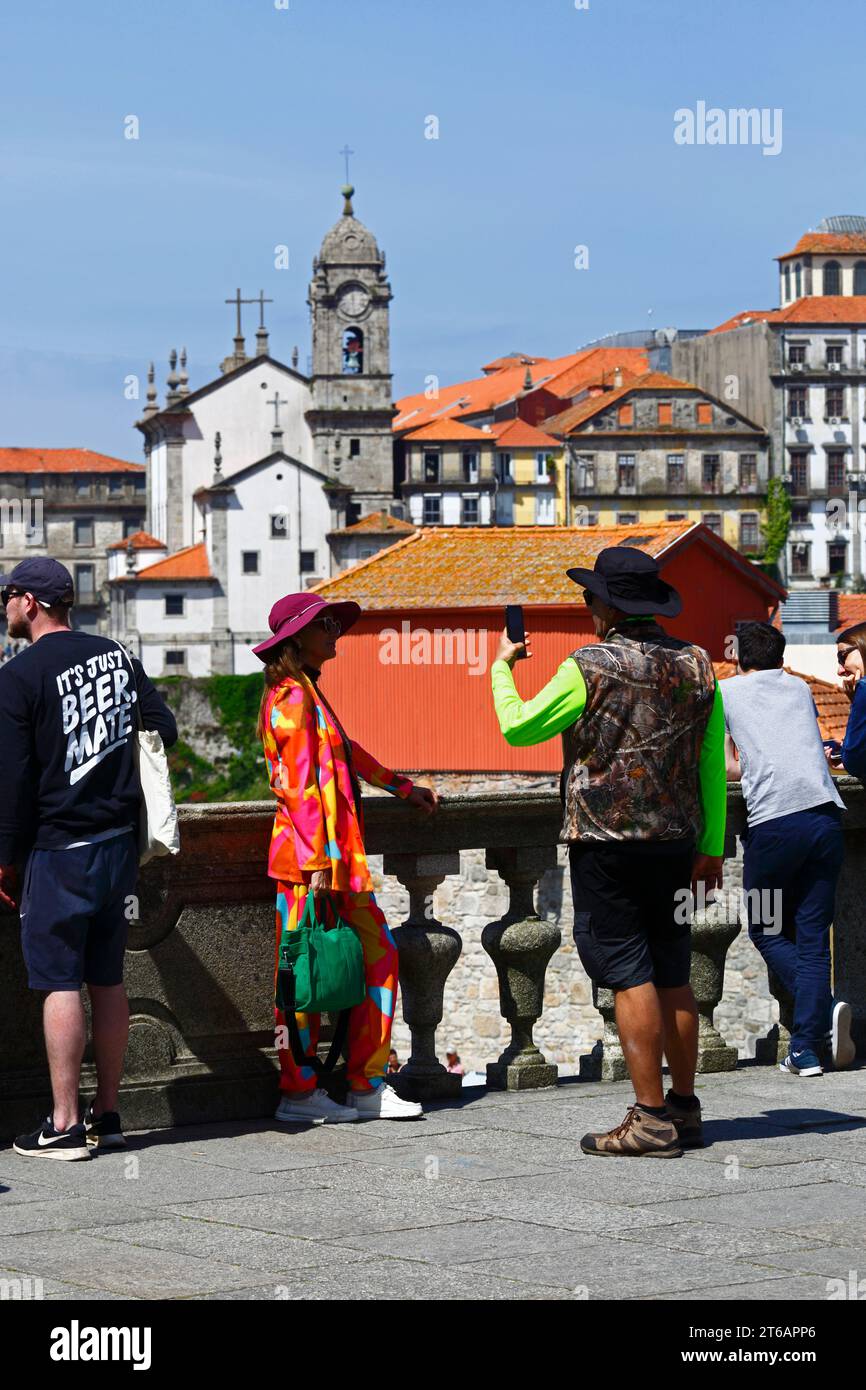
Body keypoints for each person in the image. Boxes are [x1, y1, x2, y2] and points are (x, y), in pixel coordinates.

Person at [490, 547, 726, 1158]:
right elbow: (709, 764)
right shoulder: (698, 664)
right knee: (674, 972)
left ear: (608, 606)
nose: (588, 607)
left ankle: (649, 1119)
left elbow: (518, 727)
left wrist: (501, 669)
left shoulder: (588, 666)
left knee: (628, 973)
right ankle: (684, 1109)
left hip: (607, 845)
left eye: (591, 598)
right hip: (677, 843)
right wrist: (713, 846)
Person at [0, 559, 177, 1160]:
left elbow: (14, 781)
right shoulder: (118, 656)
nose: (5, 608)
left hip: (60, 849)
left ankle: (65, 1123)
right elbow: (163, 728)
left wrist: (6, 858)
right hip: (117, 848)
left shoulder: (18, 676)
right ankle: (110, 1114)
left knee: (57, 981)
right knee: (107, 979)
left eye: (8, 597)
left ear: (30, 602)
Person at [255, 592, 439, 1123]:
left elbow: (344, 750)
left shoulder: (307, 692)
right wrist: (315, 863)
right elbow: (295, 789)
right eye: (325, 624)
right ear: (297, 637)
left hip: (334, 859)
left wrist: (401, 786)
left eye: (334, 623)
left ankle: (366, 1084)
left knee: (378, 955)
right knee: (299, 975)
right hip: (309, 863)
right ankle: (299, 1093)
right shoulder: (290, 696)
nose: (335, 631)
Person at [723, 621, 853, 1075]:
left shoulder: (726, 693)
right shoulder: (800, 690)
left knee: (764, 926)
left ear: (738, 656)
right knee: (814, 937)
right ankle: (805, 1051)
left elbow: (727, 768)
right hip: (825, 816)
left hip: (775, 823)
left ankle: (824, 1008)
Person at [836, 621, 866, 782]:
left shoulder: (864, 687)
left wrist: (856, 702)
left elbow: (854, 761)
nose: (840, 670)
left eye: (842, 656)